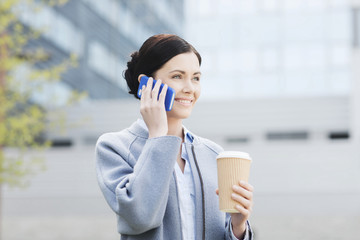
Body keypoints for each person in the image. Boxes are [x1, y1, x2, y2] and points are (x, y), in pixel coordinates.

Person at [95, 34, 254, 240]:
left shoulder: (213, 154)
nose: (190, 89)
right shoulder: (114, 147)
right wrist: (158, 137)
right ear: (146, 84)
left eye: (196, 78)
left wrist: (238, 226)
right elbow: (140, 217)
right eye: (177, 76)